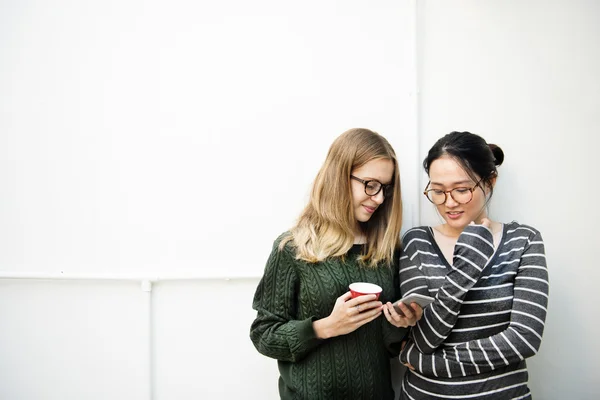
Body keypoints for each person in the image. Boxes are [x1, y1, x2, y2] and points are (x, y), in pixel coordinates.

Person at [250, 128, 421, 400]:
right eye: (370, 184)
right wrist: (326, 326)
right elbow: (264, 335)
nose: (378, 198)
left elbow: (388, 348)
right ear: (339, 176)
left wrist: (401, 325)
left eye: (385, 189)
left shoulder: (386, 251)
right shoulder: (293, 249)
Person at [397, 131, 549, 399]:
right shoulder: (417, 241)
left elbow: (524, 338)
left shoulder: (523, 240)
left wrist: (425, 363)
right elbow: (425, 338)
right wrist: (468, 264)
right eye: (438, 191)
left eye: (462, 189)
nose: (449, 202)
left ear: (489, 182)